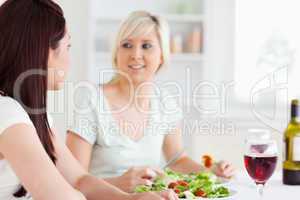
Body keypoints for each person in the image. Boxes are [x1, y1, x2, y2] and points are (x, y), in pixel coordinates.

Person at [0, 1, 178, 199]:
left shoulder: (36, 116)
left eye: (147, 46)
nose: (70, 59)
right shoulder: (7, 113)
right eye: (68, 46)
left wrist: (131, 198)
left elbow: (78, 180)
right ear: (45, 51)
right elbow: (62, 197)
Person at [67, 10, 235, 193]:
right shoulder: (91, 99)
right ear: (117, 53)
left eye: (146, 46)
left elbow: (176, 160)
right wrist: (117, 184)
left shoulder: (165, 102)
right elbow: (72, 180)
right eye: (127, 45)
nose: (135, 54)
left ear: (162, 55)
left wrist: (210, 173)